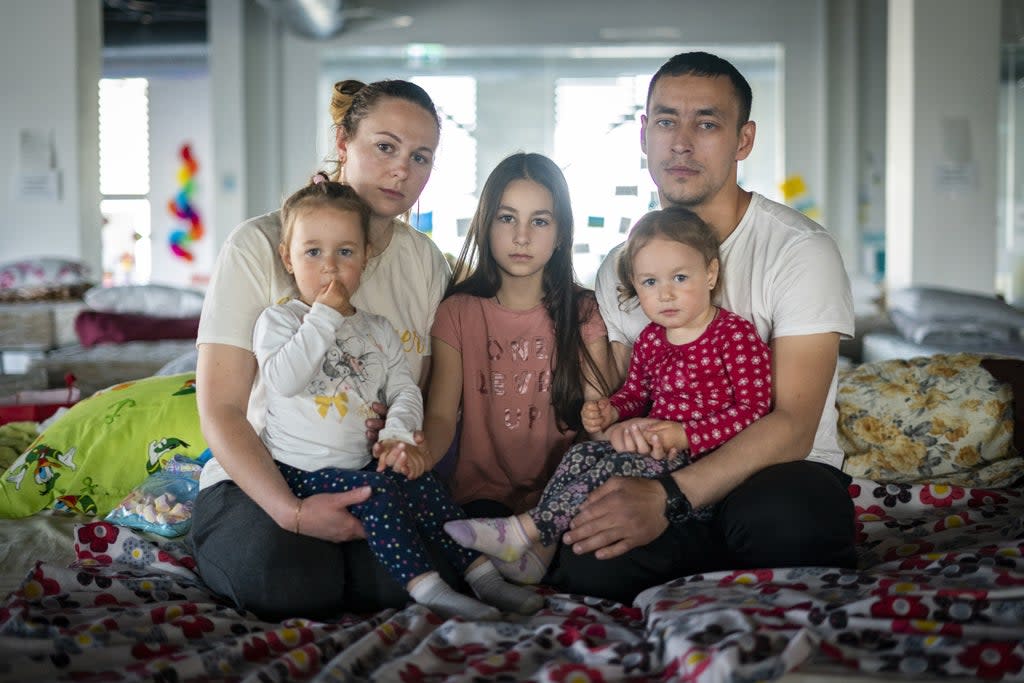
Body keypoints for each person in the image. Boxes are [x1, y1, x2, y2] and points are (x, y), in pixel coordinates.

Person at [545, 51, 857, 603]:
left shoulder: (799, 250)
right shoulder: (623, 263)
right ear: (644, 133)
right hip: (660, 463)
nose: (682, 142)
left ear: (743, 140)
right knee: (589, 561)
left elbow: (794, 423)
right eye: (666, 121)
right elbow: (622, 396)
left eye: (707, 123)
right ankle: (700, 561)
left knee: (789, 519)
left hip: (775, 473)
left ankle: (698, 558)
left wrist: (666, 499)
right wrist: (608, 424)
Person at [191, 79, 453, 621]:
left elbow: (414, 392)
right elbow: (220, 408)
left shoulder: (424, 262)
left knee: (403, 584)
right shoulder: (260, 245)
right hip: (264, 475)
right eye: (385, 146)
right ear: (342, 141)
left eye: (420, 156)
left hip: (364, 479)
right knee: (290, 582)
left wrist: (401, 439)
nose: (402, 169)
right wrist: (290, 511)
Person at [252, 177, 542, 619]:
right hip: (300, 469)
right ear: (287, 259)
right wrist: (324, 318)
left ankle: (484, 577)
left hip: (364, 457)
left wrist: (399, 434)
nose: (330, 266)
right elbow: (283, 379)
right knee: (380, 492)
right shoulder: (281, 321)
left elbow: (405, 389)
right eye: (313, 252)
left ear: (365, 258)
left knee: (424, 486)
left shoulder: (377, 329)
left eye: (345, 252)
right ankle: (428, 589)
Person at [443, 207, 771, 580]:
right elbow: (636, 393)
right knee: (582, 453)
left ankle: (524, 530)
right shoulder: (651, 339)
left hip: (702, 470)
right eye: (649, 282)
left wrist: (687, 435)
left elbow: (754, 411)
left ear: (710, 274)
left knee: (613, 469)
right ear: (635, 283)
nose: (665, 293)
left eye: (680, 277)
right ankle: (538, 554)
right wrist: (611, 410)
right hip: (655, 454)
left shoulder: (734, 336)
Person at [376, 152, 613, 582]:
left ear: (561, 234)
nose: (521, 236)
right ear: (486, 225)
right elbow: (443, 414)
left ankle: (543, 548)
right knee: (467, 559)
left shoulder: (584, 311)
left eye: (539, 221)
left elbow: (597, 422)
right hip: (484, 499)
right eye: (507, 218)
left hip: (564, 497)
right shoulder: (458, 312)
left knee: (597, 570)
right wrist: (418, 454)